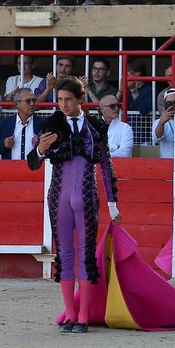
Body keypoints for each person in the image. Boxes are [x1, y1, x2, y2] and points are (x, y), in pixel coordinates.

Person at [30, 77, 119, 333]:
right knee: (66, 255)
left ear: (81, 100)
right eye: (59, 99)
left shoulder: (95, 125)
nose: (63, 104)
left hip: (87, 197)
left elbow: (106, 167)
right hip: (59, 200)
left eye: (68, 99)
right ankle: (70, 314)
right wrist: (39, 150)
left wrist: (113, 202)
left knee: (86, 256)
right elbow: (32, 162)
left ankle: (83, 316)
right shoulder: (51, 124)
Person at [0, 88, 43, 160]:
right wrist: (3, 144)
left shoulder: (42, 123)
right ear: (17, 104)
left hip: (36, 169)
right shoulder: (5, 124)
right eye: (28, 101)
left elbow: (53, 149)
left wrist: (41, 144)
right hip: (11, 169)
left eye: (34, 100)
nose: (32, 104)